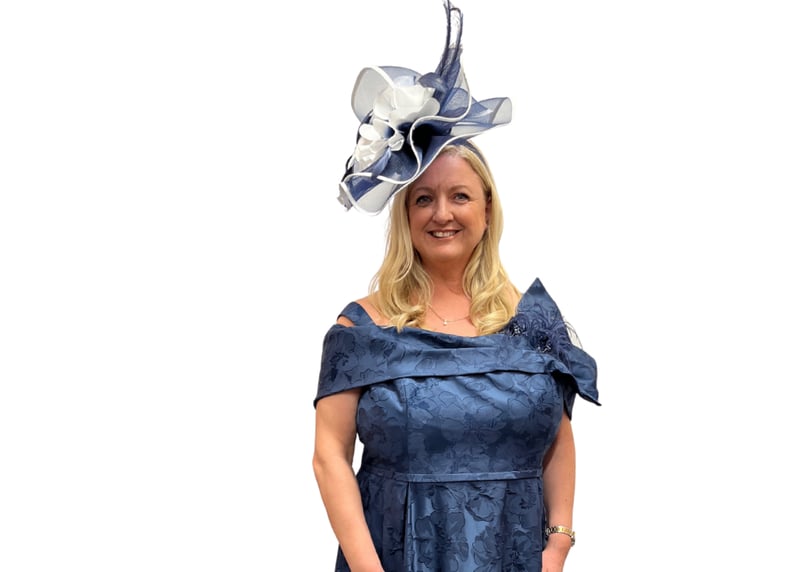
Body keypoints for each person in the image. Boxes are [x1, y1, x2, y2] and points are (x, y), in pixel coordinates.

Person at [313, 2, 600, 571]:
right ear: (405, 216)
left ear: (487, 210)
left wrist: (559, 542)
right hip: (396, 557)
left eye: (460, 196)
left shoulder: (532, 322)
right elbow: (329, 457)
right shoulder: (363, 329)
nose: (441, 213)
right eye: (423, 198)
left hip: (515, 554)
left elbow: (557, 439)